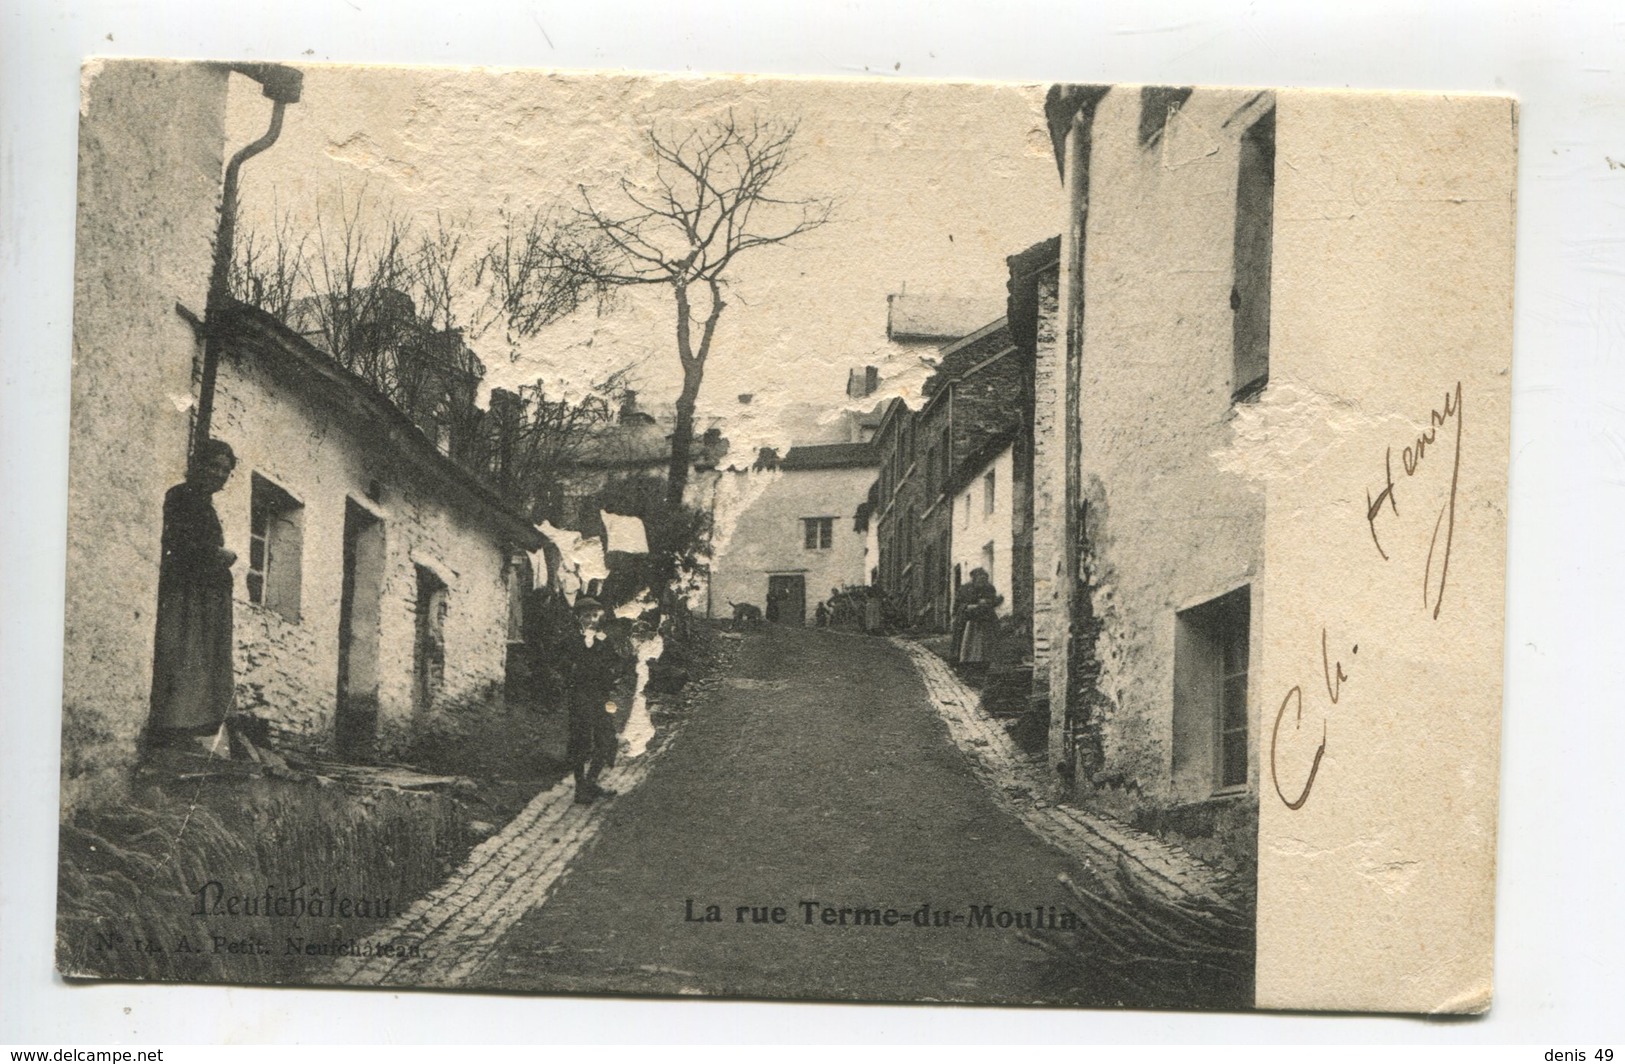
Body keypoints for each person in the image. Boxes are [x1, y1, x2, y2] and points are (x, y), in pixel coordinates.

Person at [148, 439, 239, 753]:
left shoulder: (204, 503)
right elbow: (177, 542)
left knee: (203, 659)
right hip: (187, 590)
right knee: (186, 655)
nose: (219, 474)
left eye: (225, 470)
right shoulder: (181, 496)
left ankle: (191, 727)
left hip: (208, 592)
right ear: (197, 465)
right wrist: (217, 555)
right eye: (213, 466)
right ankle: (173, 725)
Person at [565, 594, 628, 804]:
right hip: (580, 695)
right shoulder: (572, 640)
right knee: (581, 741)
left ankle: (591, 781)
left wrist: (614, 672)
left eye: (594, 615)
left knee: (607, 738)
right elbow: (565, 665)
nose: (591, 619)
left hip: (601, 695)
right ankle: (580, 787)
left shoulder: (603, 640)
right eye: (586, 616)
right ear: (578, 618)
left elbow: (615, 661)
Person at [953, 567, 1003, 674]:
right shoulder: (965, 589)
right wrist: (969, 606)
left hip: (986, 620)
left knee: (985, 643)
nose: (982, 582)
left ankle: (984, 663)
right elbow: (958, 605)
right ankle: (967, 663)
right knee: (969, 643)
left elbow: (993, 601)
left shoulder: (989, 588)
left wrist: (991, 601)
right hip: (969, 620)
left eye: (984, 579)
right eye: (980, 579)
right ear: (974, 579)